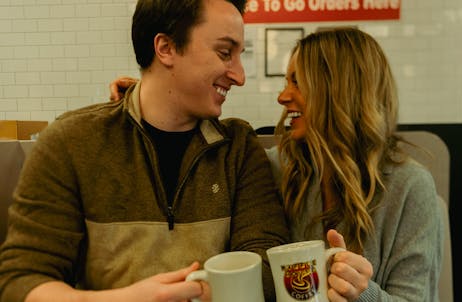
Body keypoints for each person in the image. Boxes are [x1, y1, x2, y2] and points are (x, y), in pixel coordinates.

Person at [109, 28, 444, 301]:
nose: (283, 97)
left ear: (338, 91)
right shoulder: (280, 168)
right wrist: (155, 100)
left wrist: (363, 293)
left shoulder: (411, 188)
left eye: (297, 82)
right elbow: (214, 158)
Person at [0, 1, 289, 302]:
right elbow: (22, 281)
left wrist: (200, 293)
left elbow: (267, 265)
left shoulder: (238, 149)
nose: (240, 76)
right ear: (165, 48)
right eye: (224, 53)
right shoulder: (70, 142)